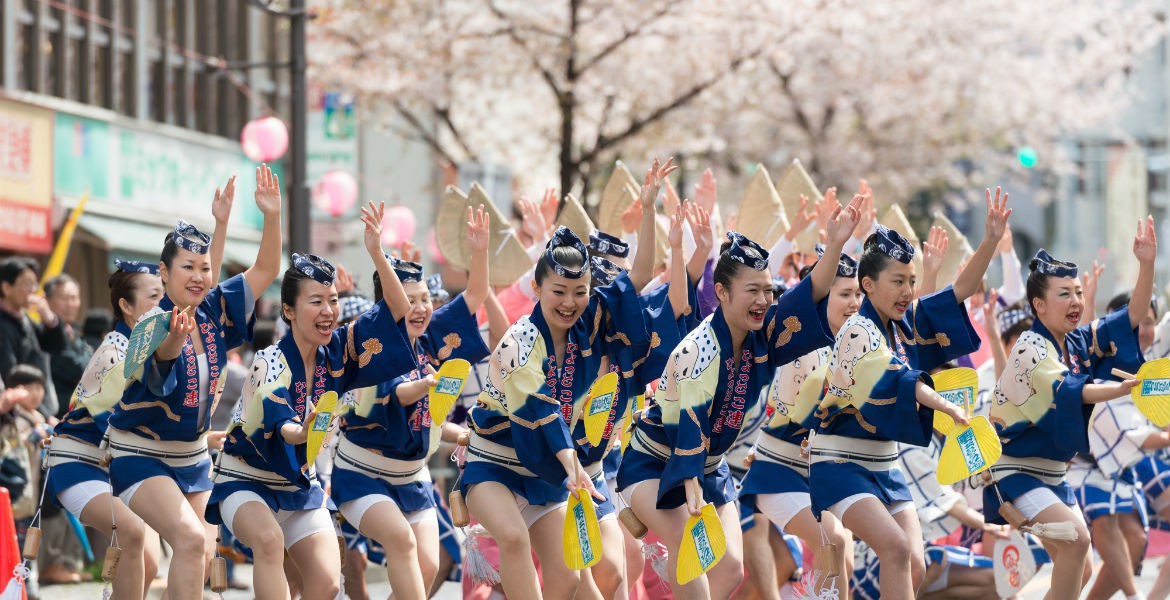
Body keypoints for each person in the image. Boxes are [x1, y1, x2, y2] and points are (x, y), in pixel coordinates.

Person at [616, 194, 862, 600]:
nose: (764, 300)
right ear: (722, 293)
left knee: (731, 570)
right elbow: (689, 428)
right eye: (753, 290)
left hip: (710, 468)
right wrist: (691, 484)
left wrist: (834, 246)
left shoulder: (764, 334)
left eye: (768, 290)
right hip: (656, 463)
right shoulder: (697, 350)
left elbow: (810, 295)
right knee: (692, 548)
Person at [460, 159, 680, 600]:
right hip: (495, 463)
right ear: (537, 289)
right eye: (558, 292)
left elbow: (635, 279)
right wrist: (574, 467)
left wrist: (650, 208)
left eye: (580, 292)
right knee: (516, 540)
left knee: (571, 581)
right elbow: (541, 408)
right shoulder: (523, 339)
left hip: (551, 474)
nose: (569, 302)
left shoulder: (591, 322)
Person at [206, 201, 418, 600]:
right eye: (316, 301)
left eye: (333, 300)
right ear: (287, 310)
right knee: (268, 541)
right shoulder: (269, 361)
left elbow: (398, 310)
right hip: (246, 480)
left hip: (300, 484)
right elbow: (284, 428)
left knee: (324, 584)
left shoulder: (339, 349)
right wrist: (304, 430)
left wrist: (376, 251)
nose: (328, 311)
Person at [808, 188, 1012, 600]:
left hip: (885, 465)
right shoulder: (857, 332)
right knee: (896, 548)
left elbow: (958, 293)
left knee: (915, 564)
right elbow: (901, 379)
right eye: (898, 281)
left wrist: (990, 240)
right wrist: (947, 405)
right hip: (840, 461)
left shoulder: (905, 322)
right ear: (867, 284)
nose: (907, 290)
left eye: (911, 281)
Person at [106, 166, 283, 600]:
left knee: (203, 550)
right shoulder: (151, 322)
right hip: (141, 453)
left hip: (193, 456)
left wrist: (271, 217)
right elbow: (163, 357)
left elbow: (266, 268)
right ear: (163, 274)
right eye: (187, 267)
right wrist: (174, 340)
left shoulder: (214, 310)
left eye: (204, 268)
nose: (199, 275)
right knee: (188, 540)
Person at [986, 216, 1158, 600]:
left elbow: (1131, 318)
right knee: (1078, 543)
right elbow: (1072, 391)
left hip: (1055, 474)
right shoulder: (1031, 346)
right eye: (1064, 294)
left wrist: (1146, 264)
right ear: (1038, 304)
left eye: (1078, 293)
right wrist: (1120, 388)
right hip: (1015, 470)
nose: (1076, 301)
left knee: (1080, 572)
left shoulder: (1077, 341)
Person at [332, 205, 492, 598]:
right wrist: (429, 384)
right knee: (400, 544)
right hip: (361, 472)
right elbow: (399, 394)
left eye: (425, 299)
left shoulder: (432, 336)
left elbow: (474, 294)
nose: (420, 308)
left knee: (428, 565)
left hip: (412, 476)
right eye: (410, 300)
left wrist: (480, 253)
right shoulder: (370, 343)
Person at [738, 246, 862, 597]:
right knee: (832, 542)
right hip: (778, 470)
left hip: (821, 472)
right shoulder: (800, 349)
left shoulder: (853, 344)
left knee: (843, 559)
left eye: (857, 294)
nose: (854, 302)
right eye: (844, 294)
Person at [42, 261, 167, 599]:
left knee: (151, 563)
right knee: (132, 531)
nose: (164, 303)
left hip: (121, 465)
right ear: (125, 306)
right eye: (154, 296)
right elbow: (119, 425)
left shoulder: (156, 348)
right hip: (80, 462)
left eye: (165, 295)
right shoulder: (116, 351)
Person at [37, 274, 92, 586]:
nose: (72, 304)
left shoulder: (74, 334)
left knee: (72, 495)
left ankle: (66, 561)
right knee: (54, 496)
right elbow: (80, 369)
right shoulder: (48, 335)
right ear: (48, 300)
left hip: (77, 428)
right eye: (65, 298)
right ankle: (52, 562)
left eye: (75, 297)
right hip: (53, 422)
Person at [0, 257, 66, 419]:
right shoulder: (2, 324)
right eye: (27, 283)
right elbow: (11, 376)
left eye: (34, 283)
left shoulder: (25, 319)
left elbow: (56, 346)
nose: (33, 289)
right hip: (20, 413)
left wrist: (48, 318)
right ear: (7, 288)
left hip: (37, 408)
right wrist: (42, 415)